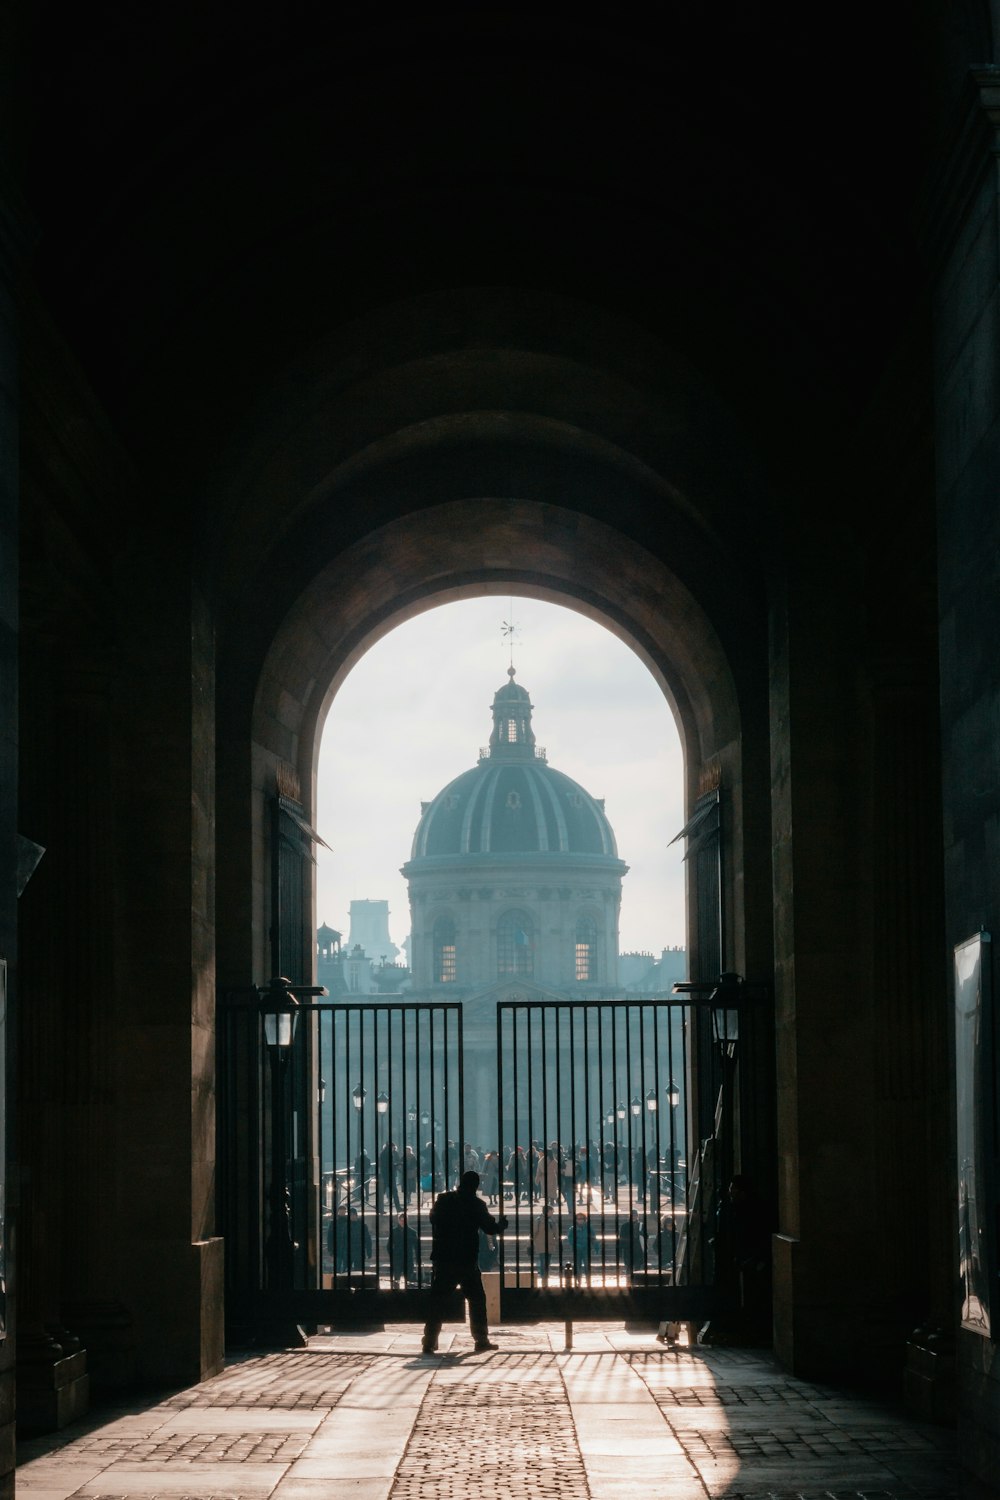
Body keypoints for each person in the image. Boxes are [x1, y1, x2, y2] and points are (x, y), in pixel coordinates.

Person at [421, 1170, 508, 1354]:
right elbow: (490, 1228)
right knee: (477, 1300)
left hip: (444, 1258)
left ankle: (429, 1341)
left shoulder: (444, 1199)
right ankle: (481, 1339)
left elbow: (432, 1218)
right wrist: (501, 1224)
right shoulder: (477, 1204)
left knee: (438, 1301)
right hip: (466, 1260)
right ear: (476, 1186)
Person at [563, 1209, 596, 1283]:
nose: (580, 1220)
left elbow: (593, 1237)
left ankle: (588, 1279)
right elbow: (570, 1239)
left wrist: (594, 1246)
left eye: (582, 1219)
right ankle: (579, 1279)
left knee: (587, 1265)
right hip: (577, 1250)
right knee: (577, 1265)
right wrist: (576, 1245)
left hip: (586, 1249)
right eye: (578, 1219)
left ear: (585, 1220)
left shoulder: (589, 1228)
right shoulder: (572, 1229)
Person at [387, 1211, 418, 1288]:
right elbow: (389, 1246)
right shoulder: (393, 1231)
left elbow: (417, 1247)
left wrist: (417, 1259)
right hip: (397, 1258)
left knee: (409, 1281)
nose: (402, 1222)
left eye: (404, 1220)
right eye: (401, 1220)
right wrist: (392, 1256)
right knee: (396, 1280)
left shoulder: (412, 1232)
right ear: (398, 1220)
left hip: (408, 1259)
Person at [617, 1208, 646, 1284]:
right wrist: (620, 1252)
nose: (633, 1216)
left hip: (638, 1250)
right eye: (632, 1215)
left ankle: (637, 1283)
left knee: (638, 1268)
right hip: (628, 1250)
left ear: (637, 1216)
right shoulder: (624, 1226)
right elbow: (621, 1239)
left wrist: (641, 1233)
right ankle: (628, 1283)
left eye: (635, 1215)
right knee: (629, 1268)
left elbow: (646, 1236)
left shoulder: (641, 1225)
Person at [532, 1207, 558, 1282]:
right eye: (552, 1211)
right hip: (541, 1243)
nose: (553, 1212)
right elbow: (534, 1232)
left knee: (547, 1260)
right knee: (543, 1260)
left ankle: (545, 1275)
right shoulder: (539, 1220)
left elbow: (555, 1232)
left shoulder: (552, 1220)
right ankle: (544, 1275)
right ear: (548, 1211)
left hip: (550, 1243)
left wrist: (556, 1240)